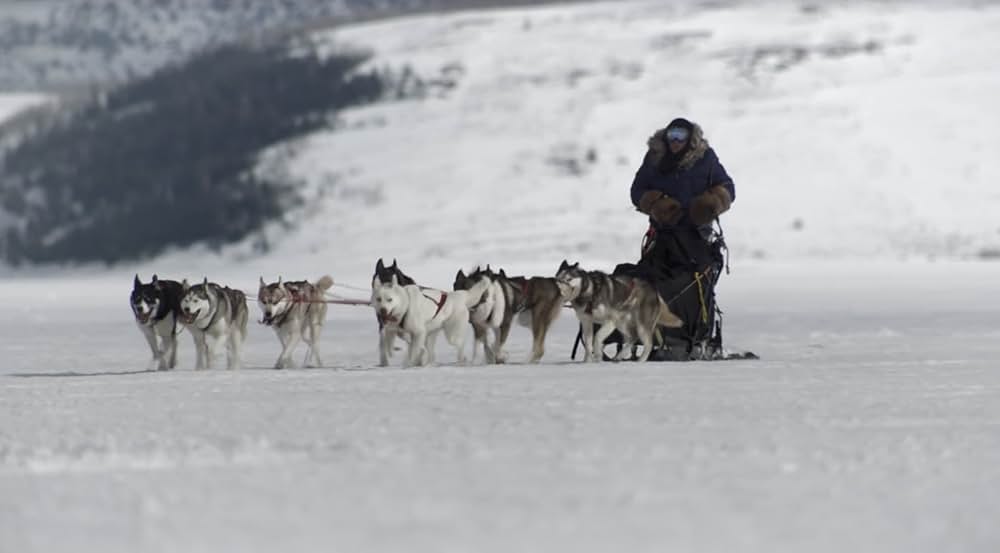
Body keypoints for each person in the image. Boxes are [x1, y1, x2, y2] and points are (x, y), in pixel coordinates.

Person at [630, 117, 735, 233]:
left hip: (700, 234)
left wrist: (711, 203)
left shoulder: (705, 158)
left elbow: (728, 186)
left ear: (689, 138)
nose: (675, 141)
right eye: (672, 135)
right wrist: (656, 205)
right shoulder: (654, 158)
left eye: (680, 136)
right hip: (663, 232)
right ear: (666, 137)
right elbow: (637, 190)